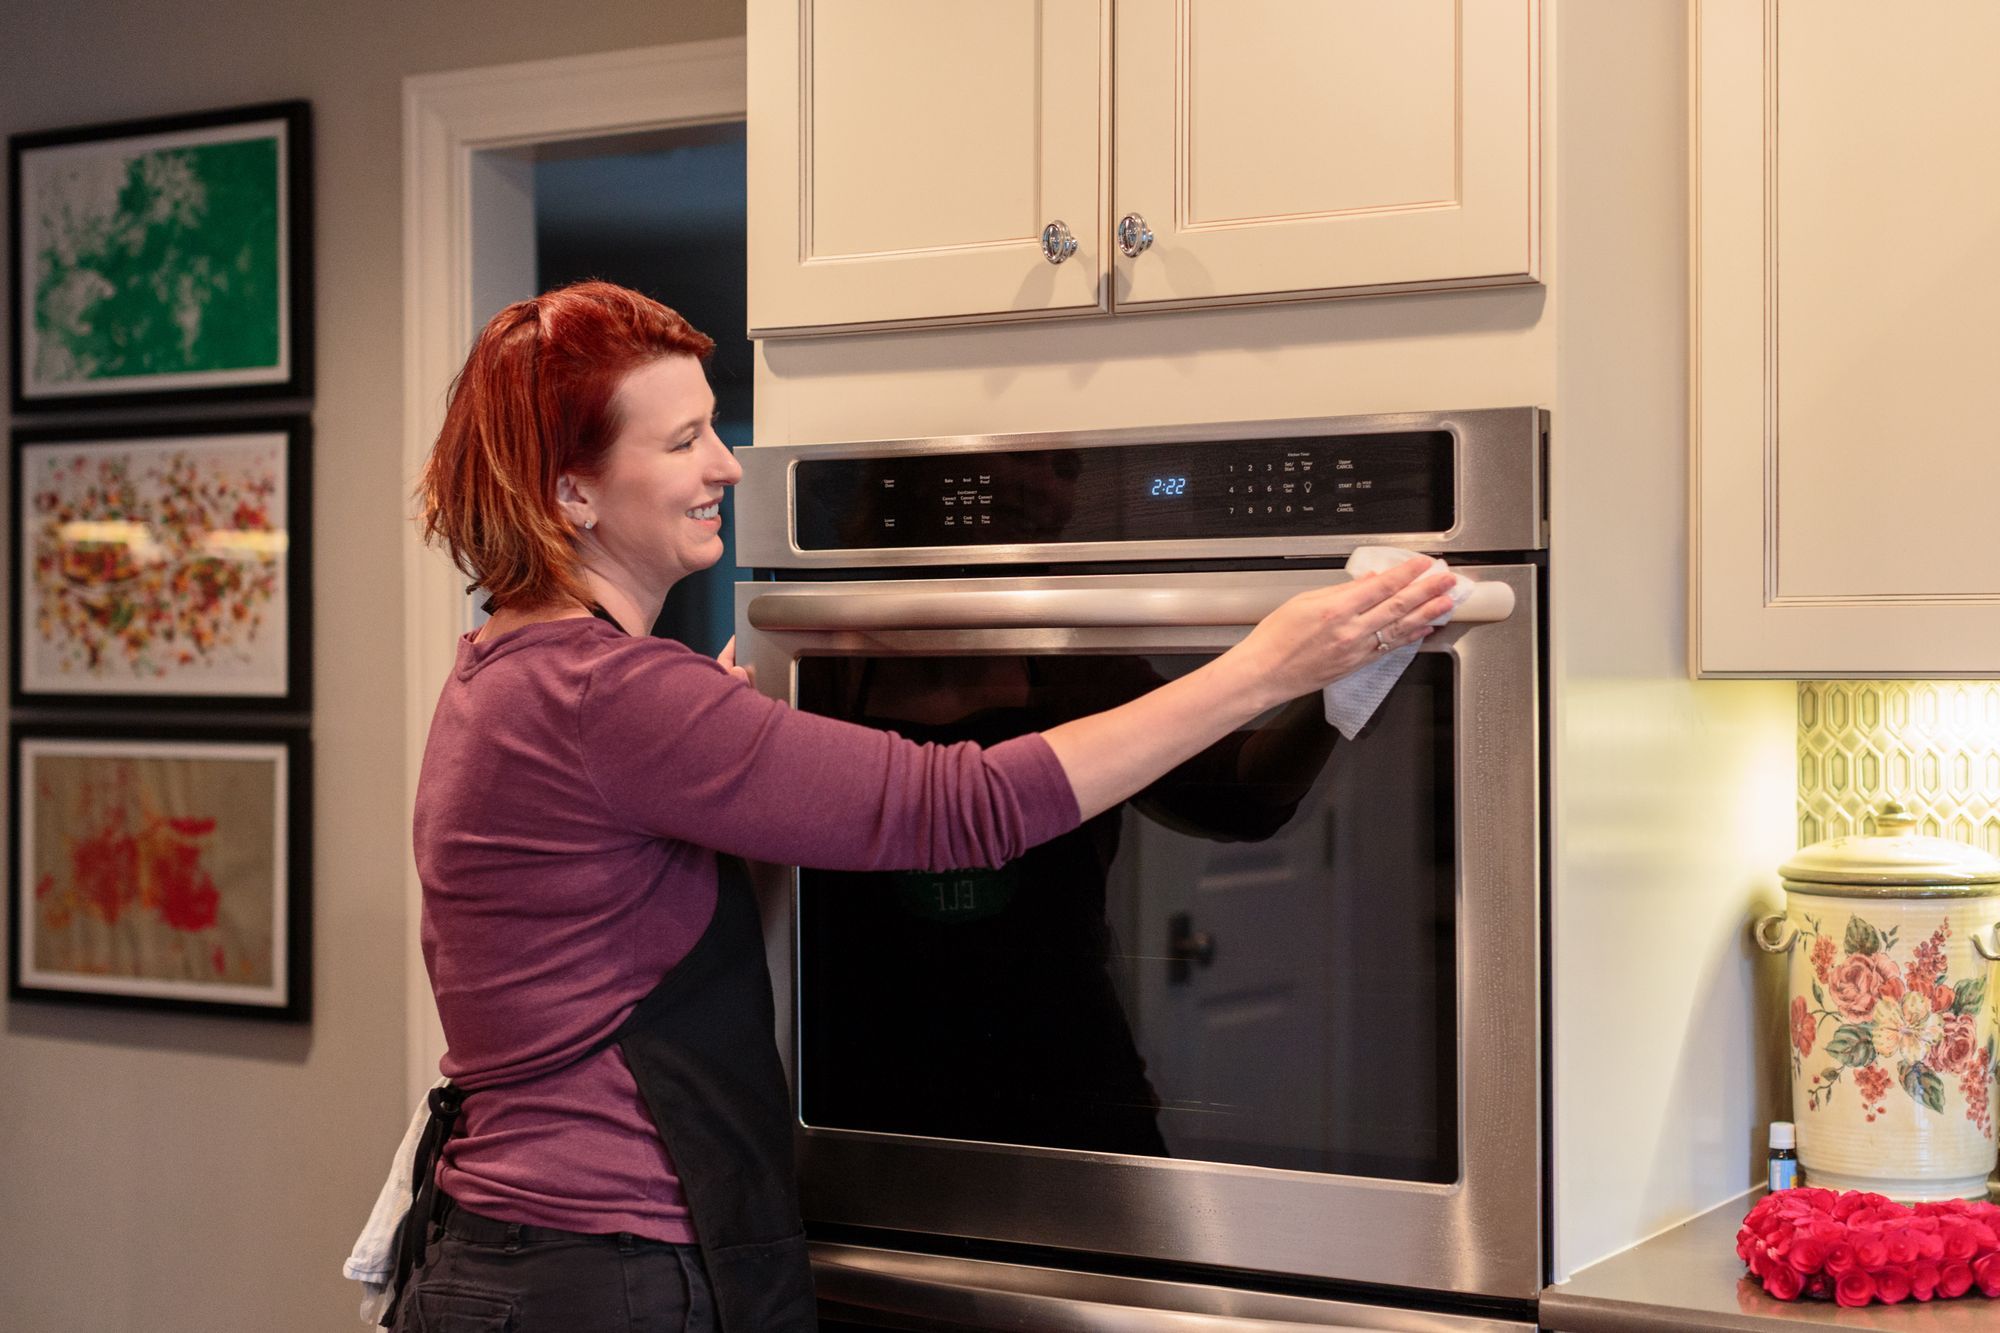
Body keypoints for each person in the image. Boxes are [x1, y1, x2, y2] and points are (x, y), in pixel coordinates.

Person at [397, 280, 1458, 1333]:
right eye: (682, 442)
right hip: (601, 1266)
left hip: (540, 1242)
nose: (726, 463)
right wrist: (1266, 665)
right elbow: (959, 809)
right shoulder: (611, 694)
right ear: (571, 492)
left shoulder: (514, 667)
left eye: (713, 428)